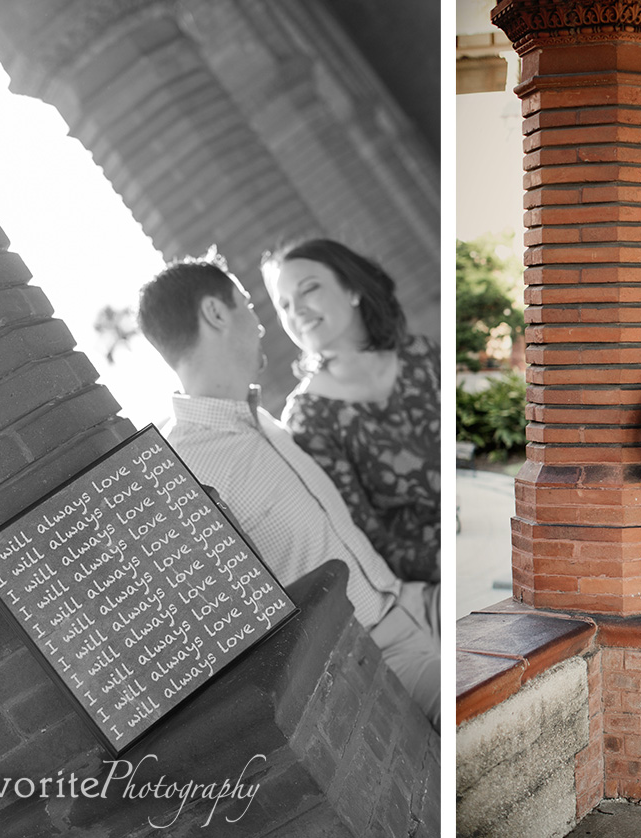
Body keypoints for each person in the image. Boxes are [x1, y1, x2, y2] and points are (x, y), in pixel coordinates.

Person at [136, 252, 440, 729]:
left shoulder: (264, 421)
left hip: (408, 606)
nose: (261, 326)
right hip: (369, 660)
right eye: (249, 307)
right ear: (217, 314)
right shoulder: (183, 470)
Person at [260, 240, 440, 583]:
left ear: (352, 289)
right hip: (424, 586)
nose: (295, 309)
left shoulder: (420, 354)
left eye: (308, 289)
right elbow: (365, 536)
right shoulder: (308, 419)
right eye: (284, 305)